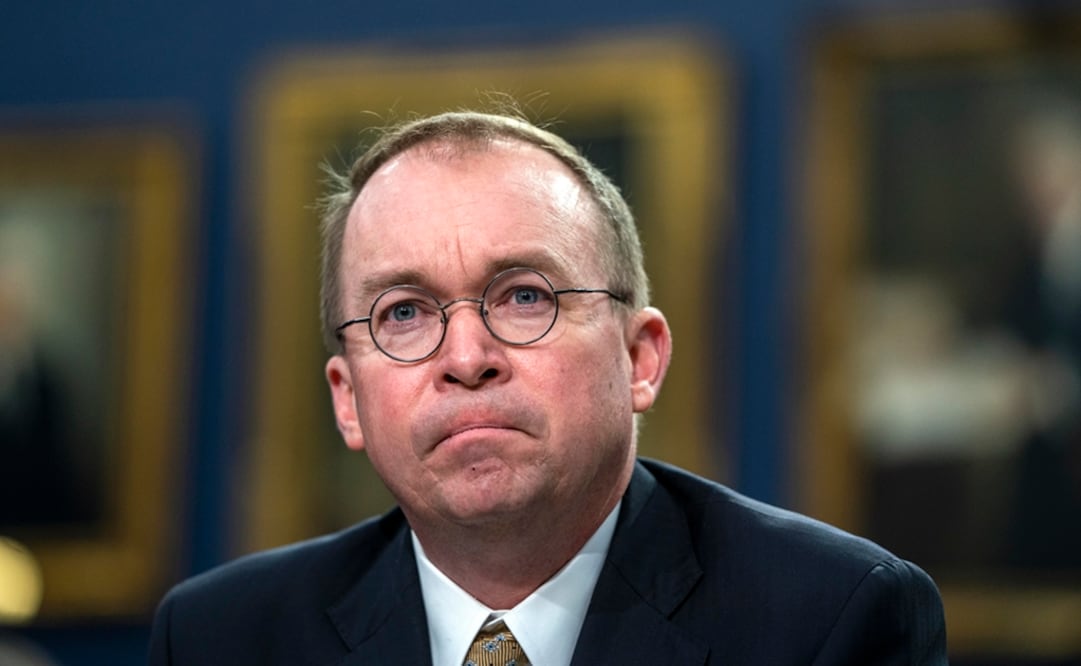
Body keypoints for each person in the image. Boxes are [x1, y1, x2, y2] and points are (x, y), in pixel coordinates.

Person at [149, 109, 947, 664]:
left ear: (640, 358)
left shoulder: (830, 618)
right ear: (348, 400)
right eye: (402, 312)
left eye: (523, 295)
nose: (466, 356)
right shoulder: (221, 637)